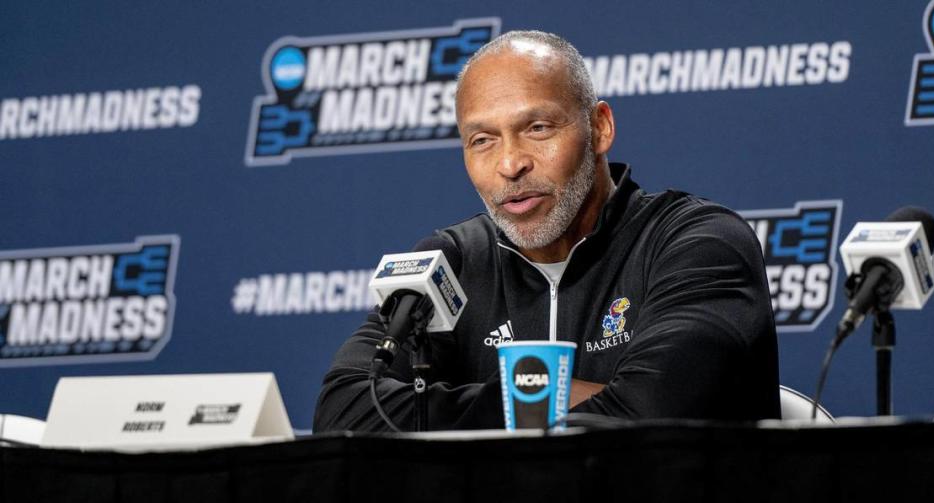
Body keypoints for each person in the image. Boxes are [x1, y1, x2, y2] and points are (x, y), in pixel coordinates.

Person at [313, 30, 780, 432]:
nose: (510, 164)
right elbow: (346, 411)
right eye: (482, 140)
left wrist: (451, 410)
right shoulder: (452, 261)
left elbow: (654, 412)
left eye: (537, 127)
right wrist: (535, 393)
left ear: (599, 127)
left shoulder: (697, 242)